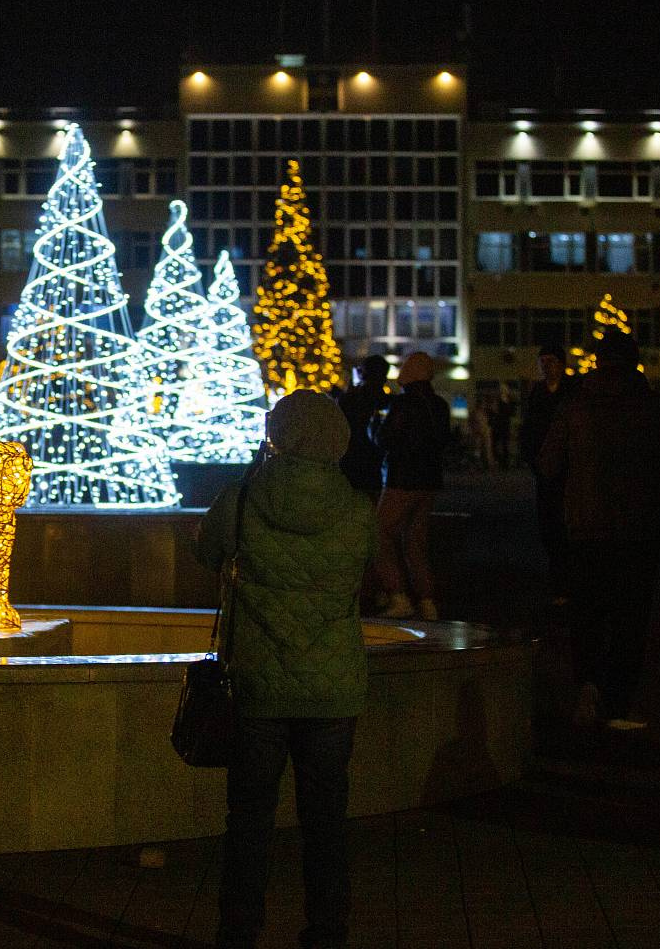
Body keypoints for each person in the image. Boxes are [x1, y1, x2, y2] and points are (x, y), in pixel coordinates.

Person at [194, 391, 374, 949]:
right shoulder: (359, 509)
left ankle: (239, 932)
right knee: (326, 822)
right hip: (332, 687)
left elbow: (206, 555)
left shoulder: (242, 501)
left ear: (274, 435)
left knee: (248, 821)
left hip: (256, 685)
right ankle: (327, 932)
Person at [538, 330, 660, 731]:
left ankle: (587, 685)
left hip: (585, 528)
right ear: (635, 361)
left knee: (586, 612)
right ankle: (618, 703)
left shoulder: (574, 407)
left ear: (597, 361)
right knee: (630, 617)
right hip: (639, 529)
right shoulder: (653, 407)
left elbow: (548, 465)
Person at [373, 352, 450, 620]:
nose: (400, 370)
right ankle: (428, 602)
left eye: (405, 366)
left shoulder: (403, 404)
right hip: (429, 480)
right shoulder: (439, 405)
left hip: (403, 479)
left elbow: (386, 439)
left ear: (415, 372)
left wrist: (375, 430)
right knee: (415, 540)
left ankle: (398, 595)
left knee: (377, 534)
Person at [519, 345, 580, 604]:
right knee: (549, 526)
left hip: (569, 469)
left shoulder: (573, 391)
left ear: (561, 363)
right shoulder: (538, 393)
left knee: (568, 525)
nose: (546, 366)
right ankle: (560, 581)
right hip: (545, 468)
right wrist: (532, 456)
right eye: (542, 361)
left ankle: (568, 583)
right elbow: (530, 427)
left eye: (551, 360)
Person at [336, 355, 390, 500]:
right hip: (377, 468)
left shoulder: (348, 400)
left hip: (350, 465)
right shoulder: (389, 402)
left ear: (363, 373)